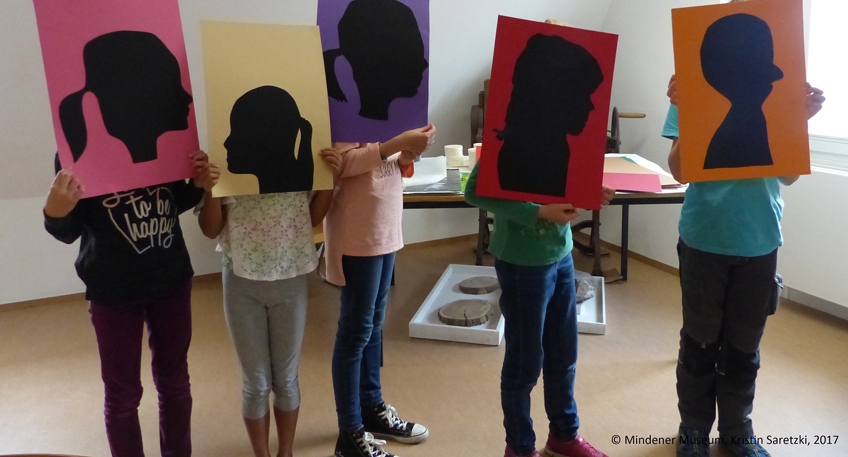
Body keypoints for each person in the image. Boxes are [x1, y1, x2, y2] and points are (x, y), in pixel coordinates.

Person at [665, 72, 825, 457]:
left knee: (744, 347)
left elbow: (788, 176)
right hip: (704, 237)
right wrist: (689, 110)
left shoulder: (779, 90)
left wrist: (797, 120)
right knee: (700, 342)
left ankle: (737, 429)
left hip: (759, 240)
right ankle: (694, 429)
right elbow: (680, 170)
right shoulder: (690, 83)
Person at [43, 150, 217, 457]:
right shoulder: (77, 145)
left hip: (170, 278)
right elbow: (69, 230)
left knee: (175, 383)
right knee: (123, 396)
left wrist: (196, 185)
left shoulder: (161, 134)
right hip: (112, 290)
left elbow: (171, 202)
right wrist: (54, 214)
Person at [197, 148, 342, 457]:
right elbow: (210, 229)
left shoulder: (299, 160)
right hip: (241, 281)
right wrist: (211, 191)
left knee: (286, 378)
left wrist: (328, 180)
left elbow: (312, 219)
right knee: (256, 382)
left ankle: (285, 453)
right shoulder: (229, 159)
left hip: (290, 278)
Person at [465, 164, 615, 457]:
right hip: (521, 263)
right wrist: (539, 212)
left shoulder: (566, 137)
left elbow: (562, 182)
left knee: (564, 354)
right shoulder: (507, 137)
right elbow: (474, 192)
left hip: (561, 255)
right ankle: (519, 448)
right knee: (525, 363)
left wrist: (587, 193)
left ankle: (564, 436)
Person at [323, 125, 435, 457]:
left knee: (373, 326)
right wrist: (394, 144)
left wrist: (407, 153)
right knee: (355, 332)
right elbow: (340, 163)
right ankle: (350, 434)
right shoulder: (343, 110)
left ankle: (371, 409)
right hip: (358, 232)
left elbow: (392, 163)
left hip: (385, 225)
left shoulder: (386, 113)